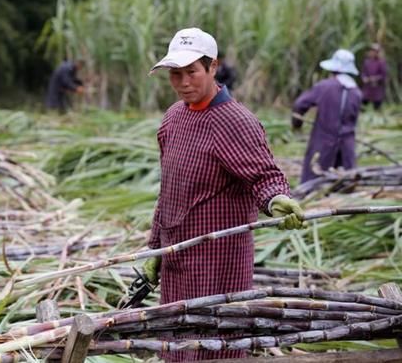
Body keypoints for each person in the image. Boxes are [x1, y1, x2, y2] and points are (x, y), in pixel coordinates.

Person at [143, 28, 305, 362]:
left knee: (215, 341)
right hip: (177, 253)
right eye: (176, 74)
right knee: (176, 338)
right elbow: (168, 191)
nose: (183, 82)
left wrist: (277, 200)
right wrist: (155, 250)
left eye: (192, 72)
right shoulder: (173, 118)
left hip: (217, 258)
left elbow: (263, 176)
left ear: (213, 68)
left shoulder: (235, 121)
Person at [292, 49, 362, 184]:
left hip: (323, 144)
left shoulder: (324, 86)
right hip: (346, 148)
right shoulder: (356, 93)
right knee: (346, 182)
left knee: (312, 181)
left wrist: (297, 123)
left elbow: (300, 104)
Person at [361, 43, 387, 110]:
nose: (373, 52)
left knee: (377, 106)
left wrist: (375, 78)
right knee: (363, 106)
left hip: (377, 88)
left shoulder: (381, 62)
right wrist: (364, 78)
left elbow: (383, 75)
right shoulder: (367, 62)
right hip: (367, 88)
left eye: (375, 51)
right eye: (372, 50)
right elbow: (363, 72)